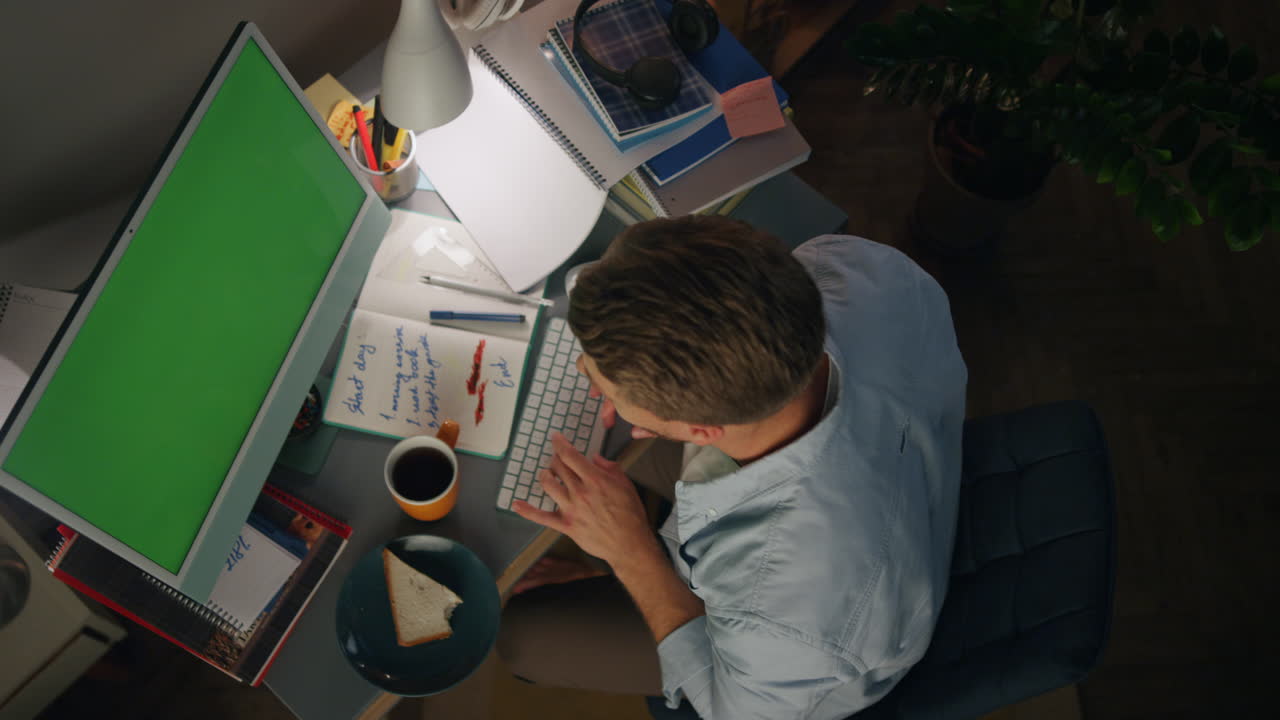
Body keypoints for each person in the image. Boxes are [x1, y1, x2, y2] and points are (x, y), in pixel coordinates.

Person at [499, 215, 967, 719]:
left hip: (791, 657)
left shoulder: (787, 608)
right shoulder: (851, 267)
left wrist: (630, 554)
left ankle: (600, 579)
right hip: (884, 460)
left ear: (700, 429)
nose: (579, 371)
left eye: (602, 383)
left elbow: (732, 710)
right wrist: (641, 387)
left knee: (522, 635)